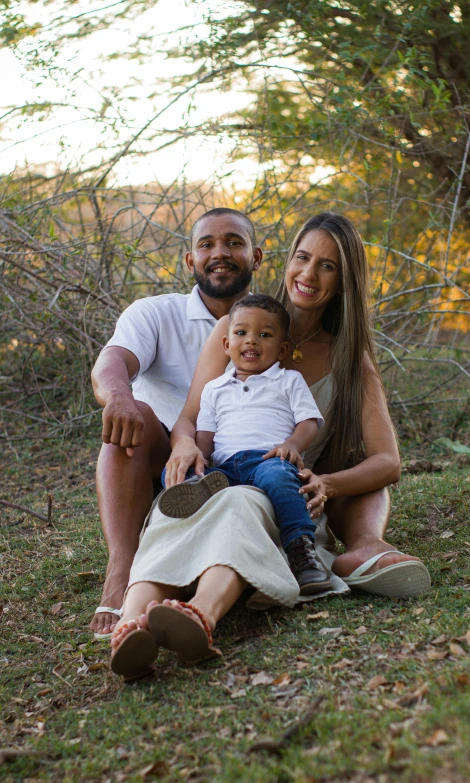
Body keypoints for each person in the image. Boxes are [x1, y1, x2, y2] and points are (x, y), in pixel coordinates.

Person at [109, 212, 431, 681]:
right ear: (286, 259)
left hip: (284, 490)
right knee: (176, 506)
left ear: (344, 282)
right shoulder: (242, 326)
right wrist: (184, 447)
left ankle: (201, 613)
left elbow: (388, 461)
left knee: (243, 500)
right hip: (220, 470)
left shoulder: (349, 357)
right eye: (302, 257)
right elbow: (191, 417)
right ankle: (131, 623)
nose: (308, 274)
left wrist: (326, 483)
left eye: (327, 266)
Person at [89, 207, 263, 639]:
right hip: (159, 465)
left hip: (238, 468)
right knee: (135, 418)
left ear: (256, 256)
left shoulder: (274, 323)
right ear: (190, 261)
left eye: (234, 242)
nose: (219, 253)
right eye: (206, 244)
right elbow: (112, 361)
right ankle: (121, 569)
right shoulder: (155, 313)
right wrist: (118, 396)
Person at [160, 293, 332, 594]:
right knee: (183, 470)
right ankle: (196, 495)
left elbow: (309, 421)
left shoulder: (289, 380)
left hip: (268, 459)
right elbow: (206, 436)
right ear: (227, 345)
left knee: (281, 481)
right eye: (241, 333)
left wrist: (292, 444)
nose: (251, 341)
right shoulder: (214, 389)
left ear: (281, 350)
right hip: (224, 467)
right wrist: (199, 457)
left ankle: (302, 553)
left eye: (264, 335)